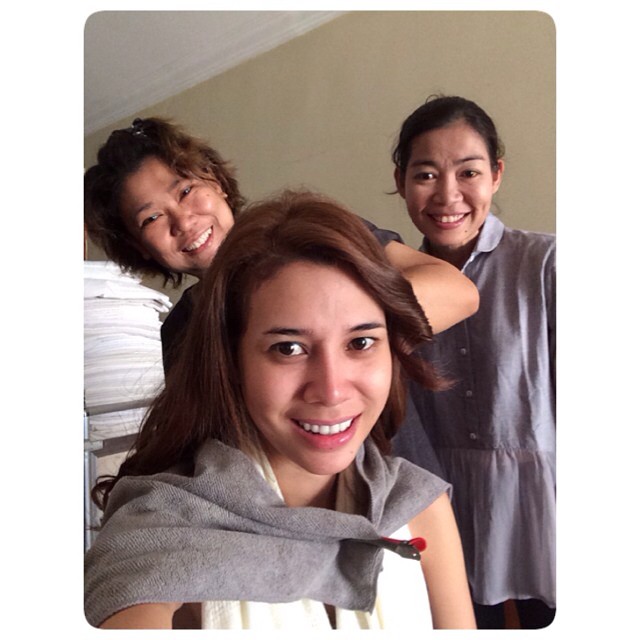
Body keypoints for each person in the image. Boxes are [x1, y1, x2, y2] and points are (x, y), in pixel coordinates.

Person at [84, 190, 477, 630]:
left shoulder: (419, 506)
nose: (331, 390)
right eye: (288, 348)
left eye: (361, 342)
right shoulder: (160, 536)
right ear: (230, 362)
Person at [84, 117, 479, 375]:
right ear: (138, 246)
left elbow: (456, 292)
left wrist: (318, 336)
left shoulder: (311, 231)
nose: (183, 221)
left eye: (186, 191)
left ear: (216, 182)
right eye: (151, 218)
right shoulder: (177, 337)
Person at [391, 95, 556, 629]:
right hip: (442, 505)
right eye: (425, 174)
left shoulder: (546, 264)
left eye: (468, 172)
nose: (447, 195)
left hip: (545, 506)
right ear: (400, 181)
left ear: (496, 175)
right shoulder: (387, 287)